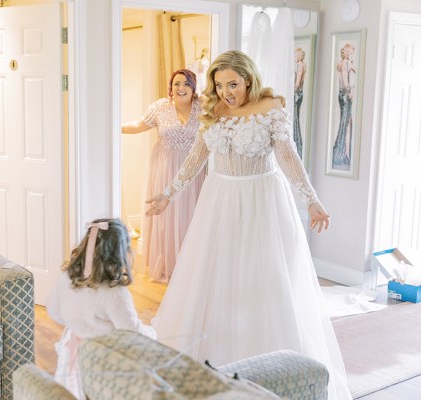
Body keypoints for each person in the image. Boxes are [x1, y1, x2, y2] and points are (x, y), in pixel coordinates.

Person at [145, 50, 352, 400]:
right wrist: (168, 194)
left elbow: (288, 157)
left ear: (248, 80)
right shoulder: (213, 111)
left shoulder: (270, 107)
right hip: (220, 201)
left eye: (233, 84)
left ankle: (270, 362)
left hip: (261, 202)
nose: (226, 91)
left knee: (262, 276)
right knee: (218, 276)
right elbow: (196, 158)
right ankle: (217, 361)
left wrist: (312, 201)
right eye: (220, 84)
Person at [46, 218, 156, 399]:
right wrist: (152, 333)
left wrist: (79, 324)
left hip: (74, 351)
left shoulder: (68, 277)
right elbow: (131, 331)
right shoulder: (114, 291)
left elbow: (54, 311)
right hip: (105, 360)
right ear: (120, 252)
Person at [122, 69, 206, 283]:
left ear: (194, 88)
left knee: (193, 214)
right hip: (165, 167)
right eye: (177, 84)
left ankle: (192, 267)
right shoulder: (161, 107)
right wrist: (114, 127)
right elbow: (140, 125)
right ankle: (169, 266)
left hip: (194, 168)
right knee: (168, 216)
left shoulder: (204, 107)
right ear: (171, 88)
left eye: (186, 84)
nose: (181, 88)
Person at [332, 43, 356, 170]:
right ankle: (340, 154)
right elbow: (346, 83)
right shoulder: (345, 63)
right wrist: (351, 89)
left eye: (353, 53)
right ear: (346, 53)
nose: (352, 55)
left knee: (347, 123)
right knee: (345, 124)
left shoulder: (341, 63)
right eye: (350, 53)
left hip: (341, 96)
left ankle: (345, 153)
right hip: (346, 96)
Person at [293, 47, 307, 159]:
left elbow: (297, 83)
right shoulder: (300, 64)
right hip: (298, 94)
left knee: (294, 120)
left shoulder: (300, 65)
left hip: (296, 94)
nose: (295, 56)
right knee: (295, 120)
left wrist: (290, 90)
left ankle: (296, 147)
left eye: (296, 54)